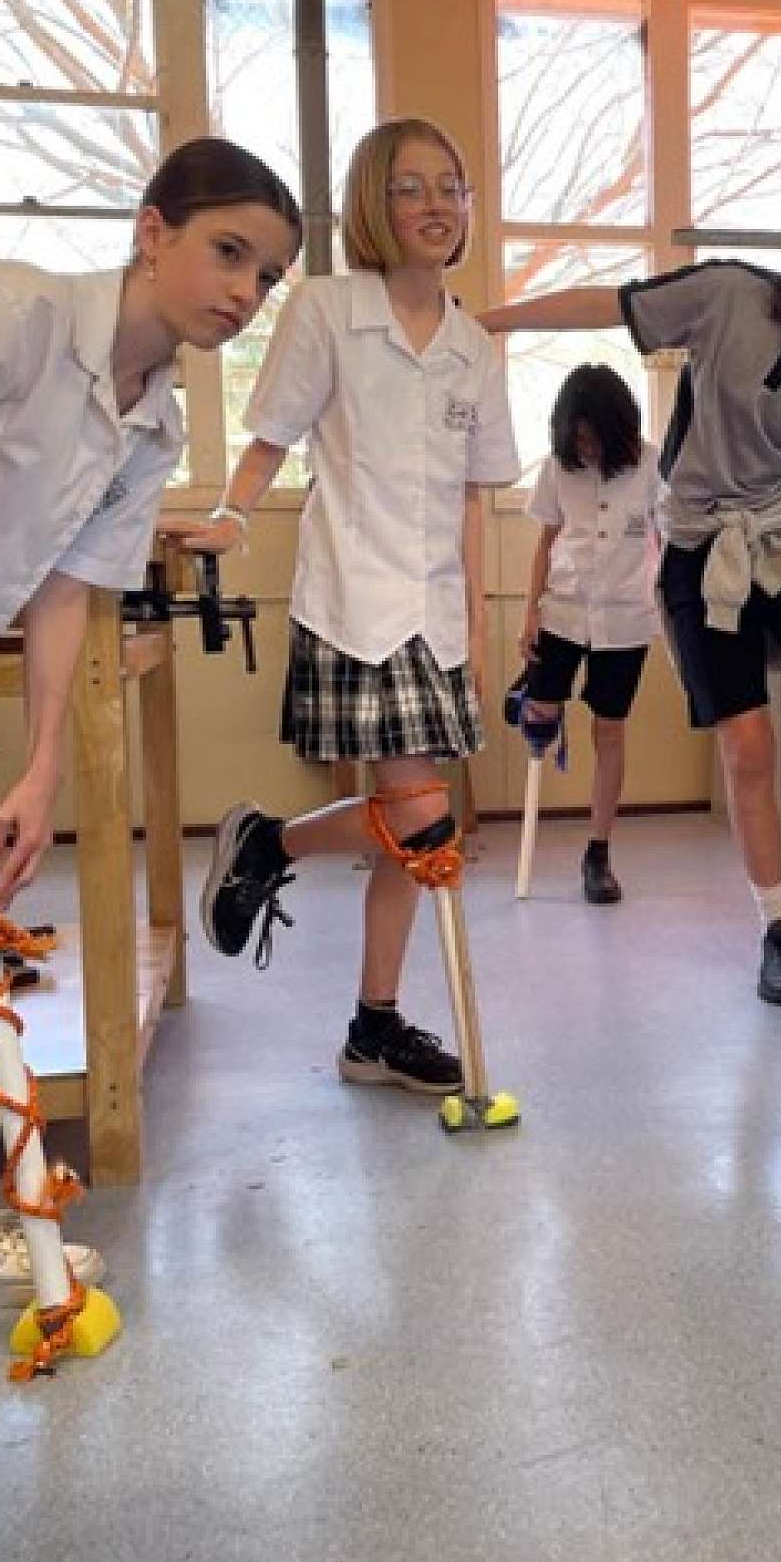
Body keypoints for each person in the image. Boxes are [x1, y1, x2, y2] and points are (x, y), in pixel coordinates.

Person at [0, 136, 302, 1317]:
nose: (245, 290)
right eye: (229, 251)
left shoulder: (153, 430)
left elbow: (67, 589)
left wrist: (42, 769)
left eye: (267, 276)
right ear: (151, 230)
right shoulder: (16, 315)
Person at [483, 169, 781, 1005]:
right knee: (748, 746)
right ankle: (780, 933)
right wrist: (490, 322)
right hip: (694, 550)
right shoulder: (729, 295)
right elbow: (609, 305)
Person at [193, 118, 518, 1095]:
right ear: (374, 205)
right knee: (422, 820)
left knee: (414, 832)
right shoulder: (328, 309)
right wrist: (229, 516)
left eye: (449, 186)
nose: (434, 204)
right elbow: (270, 436)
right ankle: (276, 854)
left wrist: (477, 630)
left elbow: (473, 501)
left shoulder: (473, 347)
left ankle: (368, 1018)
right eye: (409, 187)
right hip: (350, 596)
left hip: (434, 613)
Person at [510, 363, 659, 904]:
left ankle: (598, 851)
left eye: (595, 440)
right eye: (578, 440)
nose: (587, 450)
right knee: (540, 716)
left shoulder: (651, 465)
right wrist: (529, 613)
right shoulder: (558, 468)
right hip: (564, 611)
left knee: (609, 729)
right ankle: (530, 697)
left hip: (626, 618)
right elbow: (545, 541)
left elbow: (670, 540)